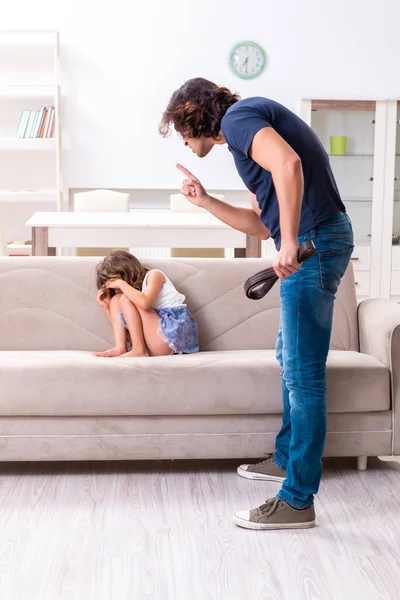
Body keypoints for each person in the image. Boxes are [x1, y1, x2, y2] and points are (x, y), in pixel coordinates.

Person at [160, 78, 354, 530]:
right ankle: (287, 458)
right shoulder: (242, 136)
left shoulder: (239, 117)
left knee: (304, 374)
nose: (185, 144)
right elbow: (260, 225)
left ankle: (297, 501)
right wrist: (206, 201)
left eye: (183, 132)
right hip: (311, 239)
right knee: (290, 356)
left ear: (194, 113)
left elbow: (289, 166)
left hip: (312, 243)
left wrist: (291, 241)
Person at [93, 249, 199, 358]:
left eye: (115, 284)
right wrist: (106, 307)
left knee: (126, 298)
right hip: (154, 342)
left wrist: (121, 284)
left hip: (173, 336)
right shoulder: (124, 297)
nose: (116, 289)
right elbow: (121, 328)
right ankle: (121, 348)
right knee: (115, 300)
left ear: (128, 272)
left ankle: (139, 350)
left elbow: (145, 303)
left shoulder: (154, 275)